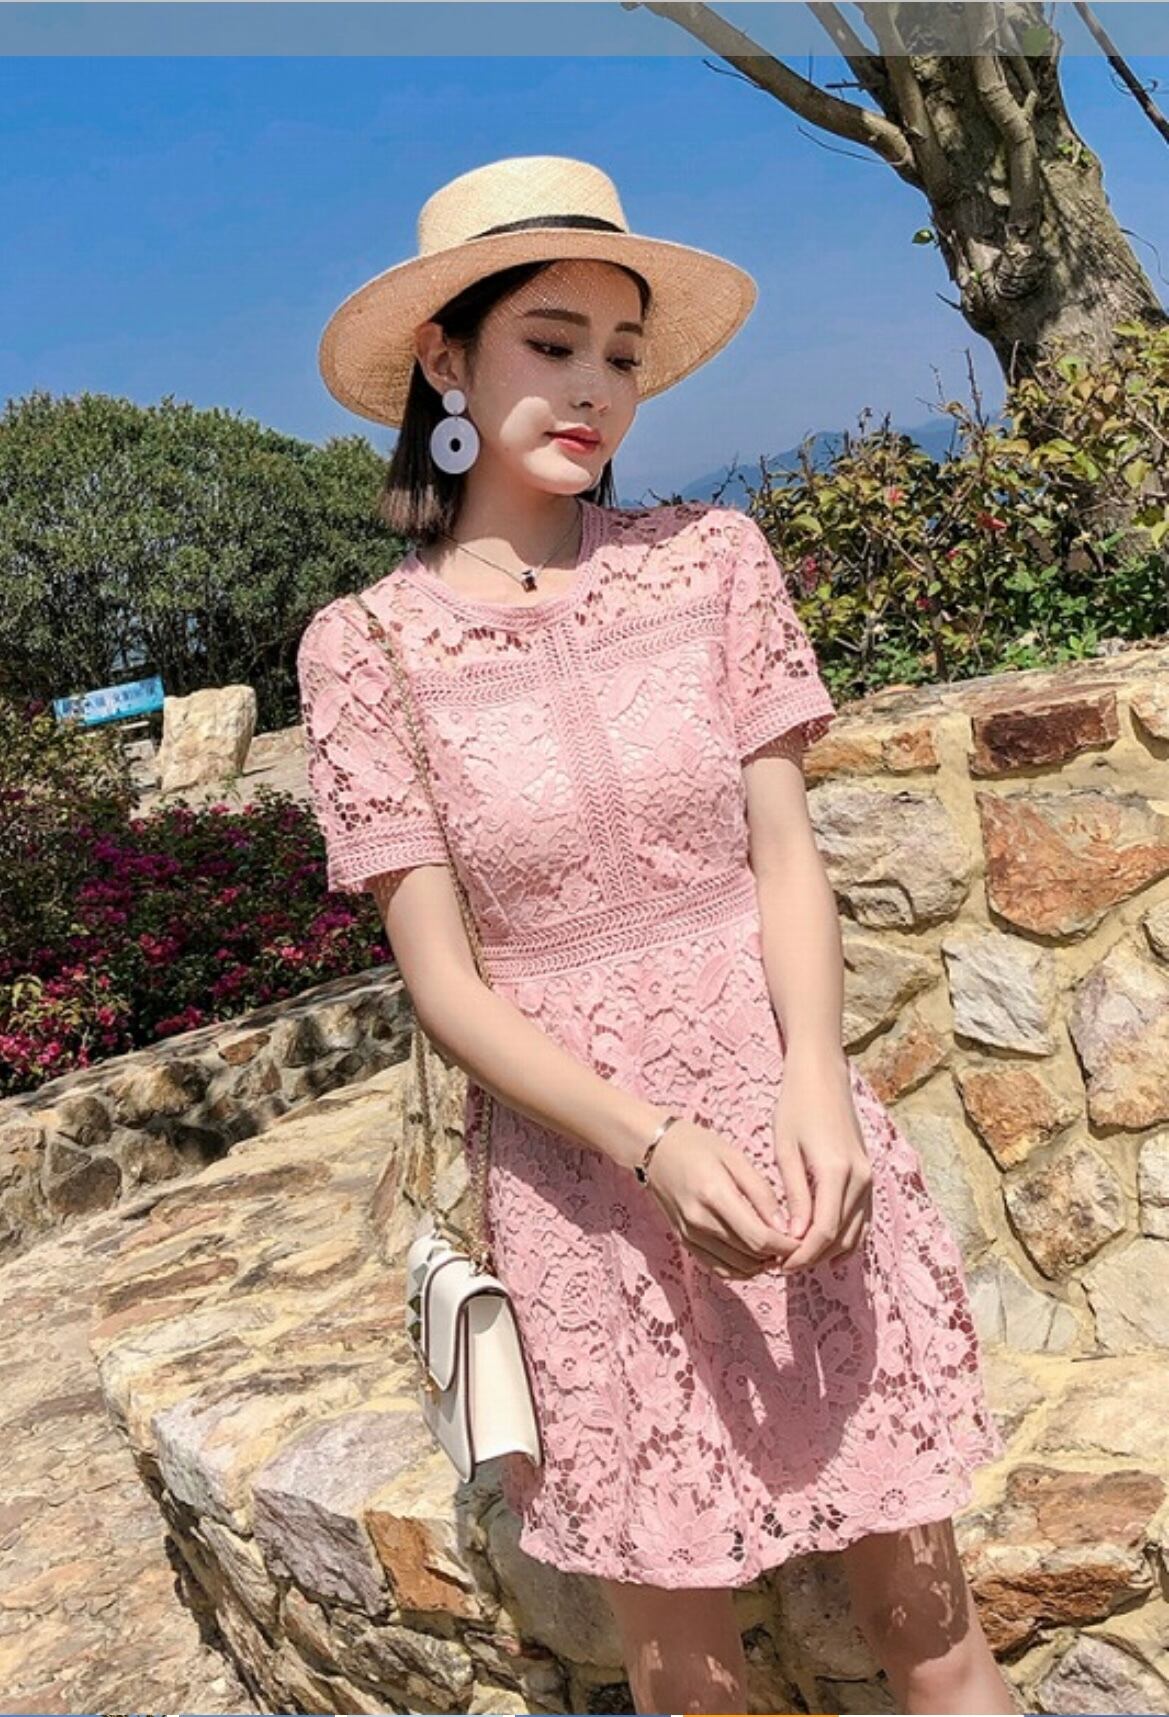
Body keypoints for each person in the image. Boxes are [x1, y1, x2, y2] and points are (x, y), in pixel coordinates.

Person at [296, 155, 1017, 1716]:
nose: (593, 389)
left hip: (795, 1144)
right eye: (550, 343)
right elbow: (443, 983)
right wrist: (649, 1142)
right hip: (586, 1195)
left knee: (935, 1635)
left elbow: (782, 854)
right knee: (688, 1677)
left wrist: (814, 1081)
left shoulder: (711, 561)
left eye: (619, 355)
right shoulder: (366, 650)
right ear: (444, 357)